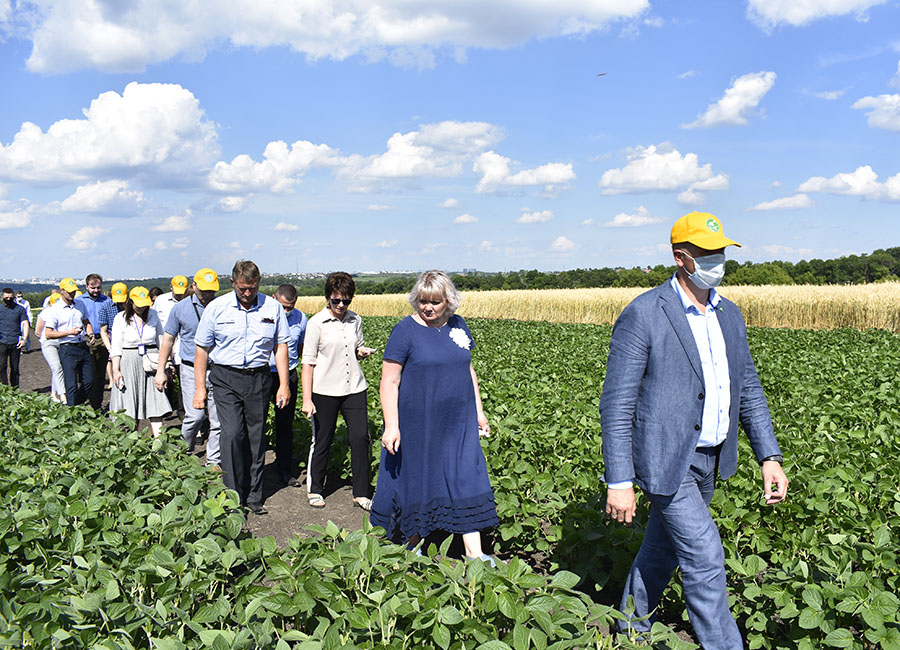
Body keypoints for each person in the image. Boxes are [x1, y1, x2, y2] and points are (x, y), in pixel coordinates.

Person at [600, 212, 789, 649]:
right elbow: (617, 403)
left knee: (661, 551)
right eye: (706, 253)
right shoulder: (645, 313)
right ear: (680, 257)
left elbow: (749, 389)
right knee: (705, 558)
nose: (717, 260)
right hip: (667, 459)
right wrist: (620, 480)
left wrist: (770, 457)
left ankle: (629, 630)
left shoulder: (729, 314)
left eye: (721, 251)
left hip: (712, 455)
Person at [369, 270, 498, 563]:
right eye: (422, 301)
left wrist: (478, 412)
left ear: (449, 302)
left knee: (466, 475)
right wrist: (392, 425)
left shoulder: (458, 325)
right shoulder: (405, 331)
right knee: (419, 478)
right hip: (420, 422)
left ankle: (474, 553)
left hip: (458, 421)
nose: (428, 307)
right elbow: (389, 381)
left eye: (435, 302)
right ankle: (412, 545)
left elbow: (468, 369)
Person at [193, 260, 290, 515]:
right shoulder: (217, 308)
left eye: (252, 288)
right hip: (226, 378)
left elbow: (281, 346)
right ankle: (233, 494)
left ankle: (254, 496)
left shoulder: (272, 308)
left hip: (259, 378)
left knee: (256, 439)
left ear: (259, 283)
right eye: (243, 289)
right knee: (233, 433)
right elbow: (202, 349)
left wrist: (283, 385)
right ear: (233, 283)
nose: (247, 294)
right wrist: (199, 389)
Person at [300, 272, 373, 510]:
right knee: (323, 439)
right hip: (324, 390)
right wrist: (307, 399)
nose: (341, 305)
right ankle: (315, 489)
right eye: (336, 300)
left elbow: (356, 347)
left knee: (360, 437)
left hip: (354, 387)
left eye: (346, 301)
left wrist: (361, 352)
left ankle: (361, 493)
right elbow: (308, 363)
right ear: (328, 298)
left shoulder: (355, 320)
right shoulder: (316, 323)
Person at [155, 269, 222, 468]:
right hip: (190, 369)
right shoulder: (181, 309)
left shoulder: (221, 307)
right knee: (195, 415)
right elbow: (168, 339)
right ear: (194, 286)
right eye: (204, 291)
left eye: (211, 291)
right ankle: (185, 452)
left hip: (217, 369)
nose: (208, 295)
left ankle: (213, 461)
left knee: (217, 419)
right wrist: (161, 369)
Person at [109, 286, 171, 435]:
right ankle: (132, 444)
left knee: (155, 401)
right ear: (131, 302)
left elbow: (161, 340)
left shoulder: (154, 315)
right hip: (129, 361)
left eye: (145, 304)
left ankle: (160, 445)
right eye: (139, 304)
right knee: (130, 405)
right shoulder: (121, 318)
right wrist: (116, 370)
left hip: (151, 361)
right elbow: (116, 346)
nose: (142, 308)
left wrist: (166, 363)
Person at [268, 284, 308, 487]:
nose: (286, 311)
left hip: (288, 374)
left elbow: (301, 348)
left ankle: (284, 469)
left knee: (285, 424)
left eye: (290, 307)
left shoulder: (301, 319)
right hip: (263, 374)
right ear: (274, 298)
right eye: (283, 306)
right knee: (254, 423)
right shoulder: (263, 314)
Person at [42, 278, 94, 406]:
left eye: (74, 291)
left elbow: (87, 322)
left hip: (82, 346)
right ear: (62, 291)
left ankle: (75, 404)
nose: (72, 294)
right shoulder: (55, 309)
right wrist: (68, 332)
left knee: (89, 381)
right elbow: (48, 333)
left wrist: (90, 333)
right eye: (69, 292)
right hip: (67, 348)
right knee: (71, 385)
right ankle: (71, 413)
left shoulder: (80, 305)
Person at [74, 273, 112, 409]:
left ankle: (96, 404)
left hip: (102, 340)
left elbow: (111, 322)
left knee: (100, 375)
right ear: (86, 286)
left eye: (98, 288)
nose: (96, 290)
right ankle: (85, 402)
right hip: (85, 339)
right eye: (93, 288)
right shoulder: (79, 301)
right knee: (86, 374)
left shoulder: (107, 301)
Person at [153, 275, 189, 415]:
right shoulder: (161, 301)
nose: (180, 295)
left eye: (182, 292)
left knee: (183, 381)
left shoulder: (190, 301)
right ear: (170, 287)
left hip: (181, 346)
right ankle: (165, 409)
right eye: (177, 291)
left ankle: (182, 411)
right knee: (164, 378)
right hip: (163, 344)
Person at [35, 292, 66, 402]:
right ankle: (62, 396)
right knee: (57, 367)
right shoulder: (45, 313)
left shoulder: (63, 311)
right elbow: (38, 332)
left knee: (58, 368)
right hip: (48, 343)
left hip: (61, 343)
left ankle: (54, 393)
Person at [99, 282, 128, 392]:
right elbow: (103, 330)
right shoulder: (105, 307)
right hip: (114, 344)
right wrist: (109, 348)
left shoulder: (133, 306)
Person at [0, 287, 30, 387]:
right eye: (6, 297)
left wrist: (24, 339)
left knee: (14, 368)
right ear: (2, 297)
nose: (8, 299)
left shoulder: (19, 309)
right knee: (1, 367)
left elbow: (25, 323)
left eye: (10, 297)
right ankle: (4, 388)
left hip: (15, 342)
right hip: (2, 342)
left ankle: (15, 389)